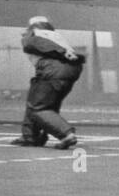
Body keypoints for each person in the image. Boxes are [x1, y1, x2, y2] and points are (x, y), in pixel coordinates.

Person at [9, 16, 86, 148]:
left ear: (33, 26)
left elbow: (35, 43)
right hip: (72, 70)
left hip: (53, 69)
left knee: (39, 107)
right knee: (41, 102)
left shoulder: (35, 34)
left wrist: (61, 52)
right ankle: (31, 137)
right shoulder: (56, 35)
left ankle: (66, 134)